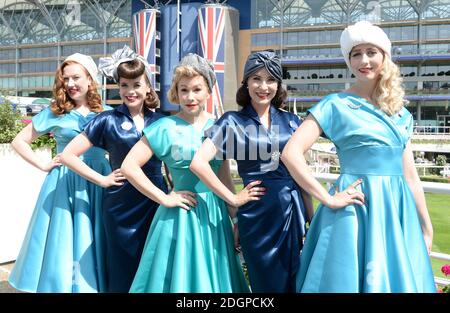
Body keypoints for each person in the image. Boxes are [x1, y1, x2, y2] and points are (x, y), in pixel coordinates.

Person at [282, 21, 436, 293]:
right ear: (348, 60)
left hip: (396, 213)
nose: (364, 60)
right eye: (356, 54)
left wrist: (425, 225)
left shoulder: (401, 114)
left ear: (384, 56)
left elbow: (410, 176)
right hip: (354, 209)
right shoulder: (334, 104)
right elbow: (290, 153)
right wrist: (327, 198)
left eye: (371, 52)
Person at [122, 54, 251, 292]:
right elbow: (129, 167)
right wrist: (165, 198)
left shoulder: (219, 126)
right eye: (184, 90)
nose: (190, 97)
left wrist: (235, 219)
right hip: (180, 217)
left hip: (215, 217)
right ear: (176, 93)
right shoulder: (163, 127)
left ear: (209, 90)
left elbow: (224, 177)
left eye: (196, 89)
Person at [190, 50, 313, 293]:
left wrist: (312, 219)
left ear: (278, 85)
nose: (263, 86)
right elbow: (198, 164)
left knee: (297, 281)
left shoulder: (292, 122)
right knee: (264, 284)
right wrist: (233, 199)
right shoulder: (231, 121)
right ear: (246, 83)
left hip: (291, 212)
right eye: (256, 79)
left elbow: (302, 174)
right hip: (256, 215)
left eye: (270, 80)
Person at [60, 46, 167, 292]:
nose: (130, 91)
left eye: (137, 85)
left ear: (148, 87)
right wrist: (102, 180)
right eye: (124, 85)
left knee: (155, 262)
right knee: (122, 263)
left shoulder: (162, 121)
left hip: (156, 199)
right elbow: (68, 155)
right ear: (118, 87)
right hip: (120, 203)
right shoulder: (106, 120)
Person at [8, 53, 110, 293]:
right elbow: (19, 141)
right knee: (64, 237)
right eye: (66, 79)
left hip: (99, 180)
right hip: (66, 182)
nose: (71, 83)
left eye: (76, 77)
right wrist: (43, 165)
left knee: (95, 235)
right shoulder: (56, 112)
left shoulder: (106, 112)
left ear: (89, 79)